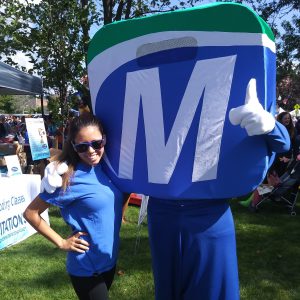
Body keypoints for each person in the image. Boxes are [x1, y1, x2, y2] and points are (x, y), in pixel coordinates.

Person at [23, 113, 128, 300]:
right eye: (82, 147)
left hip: (108, 261)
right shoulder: (68, 179)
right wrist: (62, 242)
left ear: (104, 140)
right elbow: (31, 213)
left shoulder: (107, 167)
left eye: (96, 144)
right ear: (73, 146)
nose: (91, 151)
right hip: (87, 268)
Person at [270, 111, 296, 177]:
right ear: (281, 119)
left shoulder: (293, 130)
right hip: (276, 155)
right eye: (285, 118)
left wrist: (289, 157)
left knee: (281, 175)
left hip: (287, 156)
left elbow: (294, 144)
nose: (287, 120)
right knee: (273, 173)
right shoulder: (275, 129)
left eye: (288, 118)